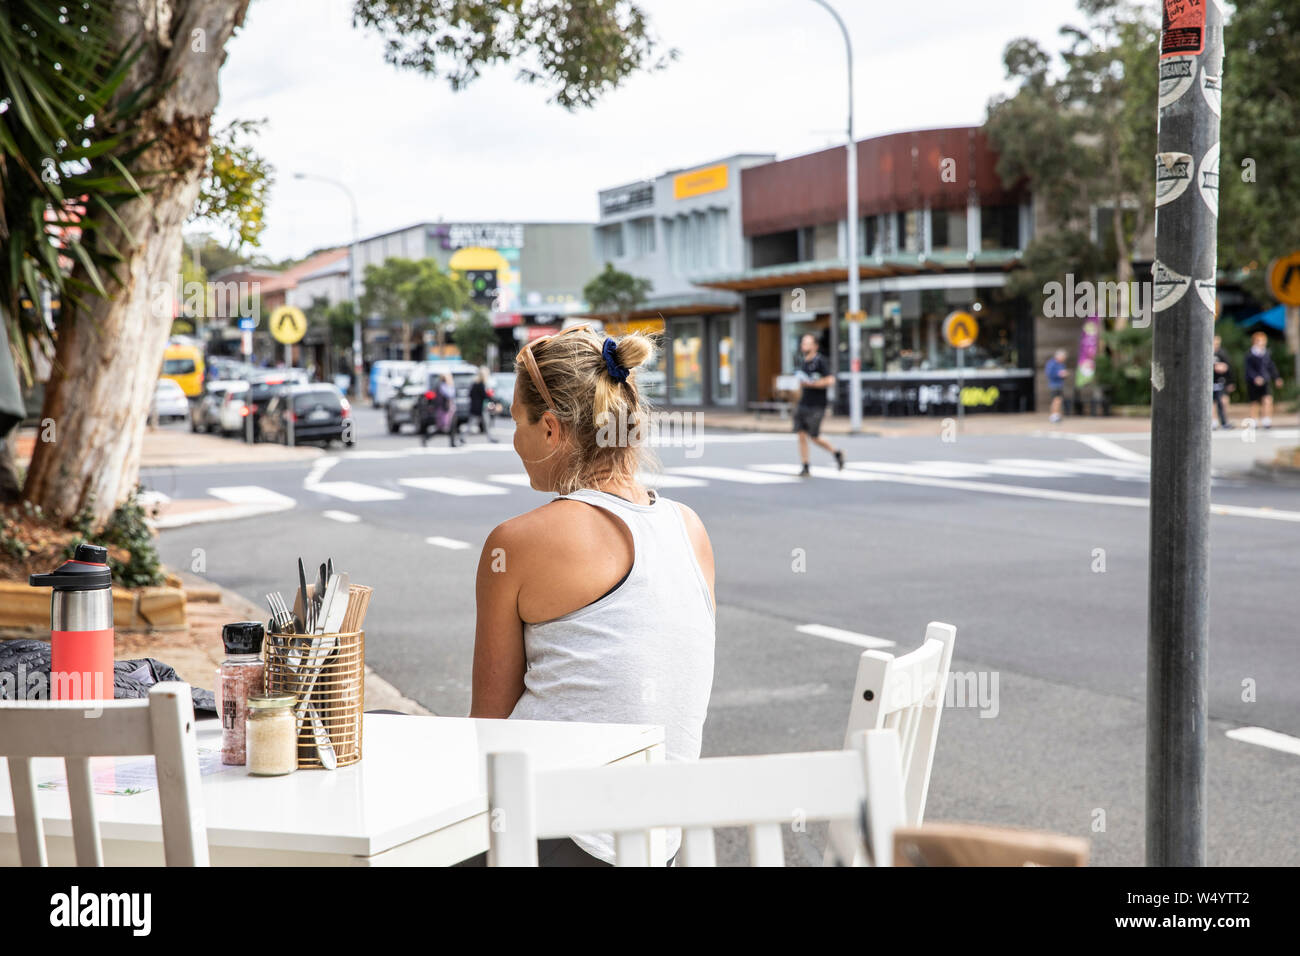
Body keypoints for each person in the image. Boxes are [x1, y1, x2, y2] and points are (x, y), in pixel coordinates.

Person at [468, 325, 716, 867]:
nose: (514, 441)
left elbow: (486, 734)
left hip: (555, 837)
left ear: (551, 429)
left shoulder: (516, 543)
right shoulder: (689, 528)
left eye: (516, 422)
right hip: (657, 845)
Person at [792, 333, 845, 476]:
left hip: (817, 405)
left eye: (807, 343)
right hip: (803, 403)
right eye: (803, 343)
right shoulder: (803, 362)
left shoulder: (820, 361)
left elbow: (831, 380)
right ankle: (805, 466)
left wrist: (814, 383)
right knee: (801, 434)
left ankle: (836, 453)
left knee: (814, 436)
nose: (804, 346)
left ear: (815, 346)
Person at [1244, 331, 1283, 429]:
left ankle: (1266, 421)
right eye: (1259, 341)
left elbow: (1271, 367)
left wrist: (1276, 377)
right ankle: (1254, 421)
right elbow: (1248, 369)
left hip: (1265, 380)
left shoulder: (1266, 353)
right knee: (1254, 402)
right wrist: (1255, 378)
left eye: (1263, 341)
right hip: (1253, 382)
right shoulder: (1250, 354)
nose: (1261, 343)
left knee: (1268, 400)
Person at [422, 372, 459, 447]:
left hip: (449, 409)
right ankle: (427, 437)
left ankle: (452, 442)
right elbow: (449, 395)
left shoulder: (444, 386)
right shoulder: (443, 386)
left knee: (452, 426)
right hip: (444, 409)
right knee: (442, 428)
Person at [469, 366, 498, 442]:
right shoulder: (480, 384)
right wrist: (493, 399)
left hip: (478, 407)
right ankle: (462, 437)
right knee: (472, 424)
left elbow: (471, 394)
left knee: (486, 423)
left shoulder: (475, 383)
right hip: (479, 408)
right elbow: (484, 395)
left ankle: (490, 438)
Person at [1212, 335, 1234, 429]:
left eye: (1218, 343)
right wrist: (1214, 367)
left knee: (1222, 401)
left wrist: (1231, 382)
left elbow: (1229, 367)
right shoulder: (1205, 352)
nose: (1216, 345)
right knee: (1211, 402)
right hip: (1209, 381)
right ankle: (1213, 422)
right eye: (1215, 343)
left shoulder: (1222, 353)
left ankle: (1224, 422)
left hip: (1220, 382)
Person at [1045, 349, 1069, 423]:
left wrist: (1065, 375)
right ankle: (1054, 415)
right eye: (1063, 357)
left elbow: (1064, 374)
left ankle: (1056, 414)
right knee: (1056, 400)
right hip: (1054, 384)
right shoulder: (1052, 363)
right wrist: (1059, 374)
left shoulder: (1061, 364)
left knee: (1058, 400)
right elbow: (1049, 374)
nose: (1064, 359)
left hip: (1060, 384)